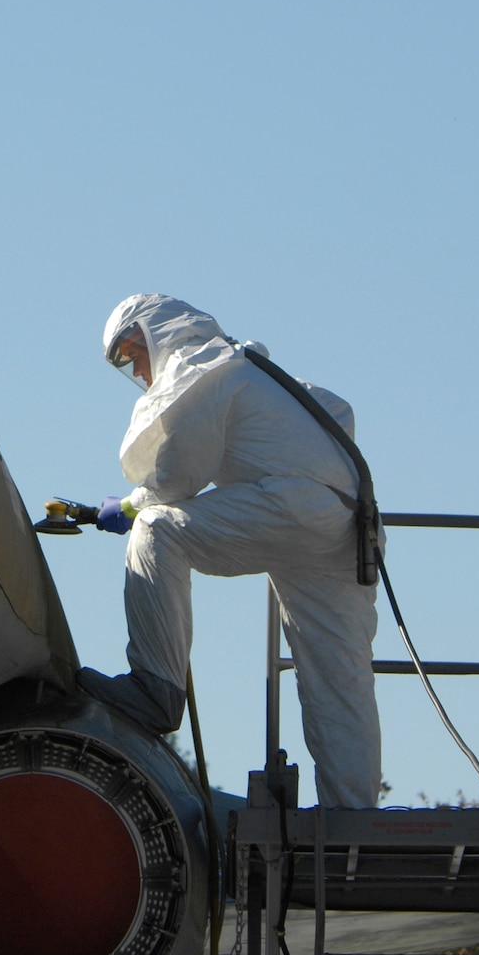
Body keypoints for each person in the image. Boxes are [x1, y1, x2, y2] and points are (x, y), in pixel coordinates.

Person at [77, 293, 381, 809]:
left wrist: (128, 507)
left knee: (157, 529)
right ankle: (354, 826)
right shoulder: (251, 368)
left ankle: (156, 688)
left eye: (134, 352)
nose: (139, 369)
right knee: (339, 681)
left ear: (157, 333)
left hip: (292, 509)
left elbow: (177, 479)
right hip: (345, 524)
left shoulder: (203, 371)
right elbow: (337, 414)